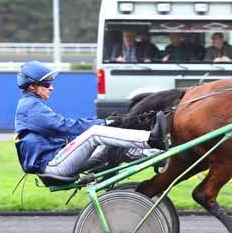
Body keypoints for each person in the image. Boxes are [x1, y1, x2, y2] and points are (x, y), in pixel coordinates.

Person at [14, 61, 157, 177]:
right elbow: (64, 127)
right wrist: (104, 123)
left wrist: (106, 124)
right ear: (32, 86)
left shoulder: (34, 105)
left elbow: (67, 131)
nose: (51, 88)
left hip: (58, 159)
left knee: (112, 144)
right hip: (52, 164)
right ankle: (150, 139)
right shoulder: (30, 106)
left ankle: (159, 153)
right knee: (95, 133)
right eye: (46, 84)